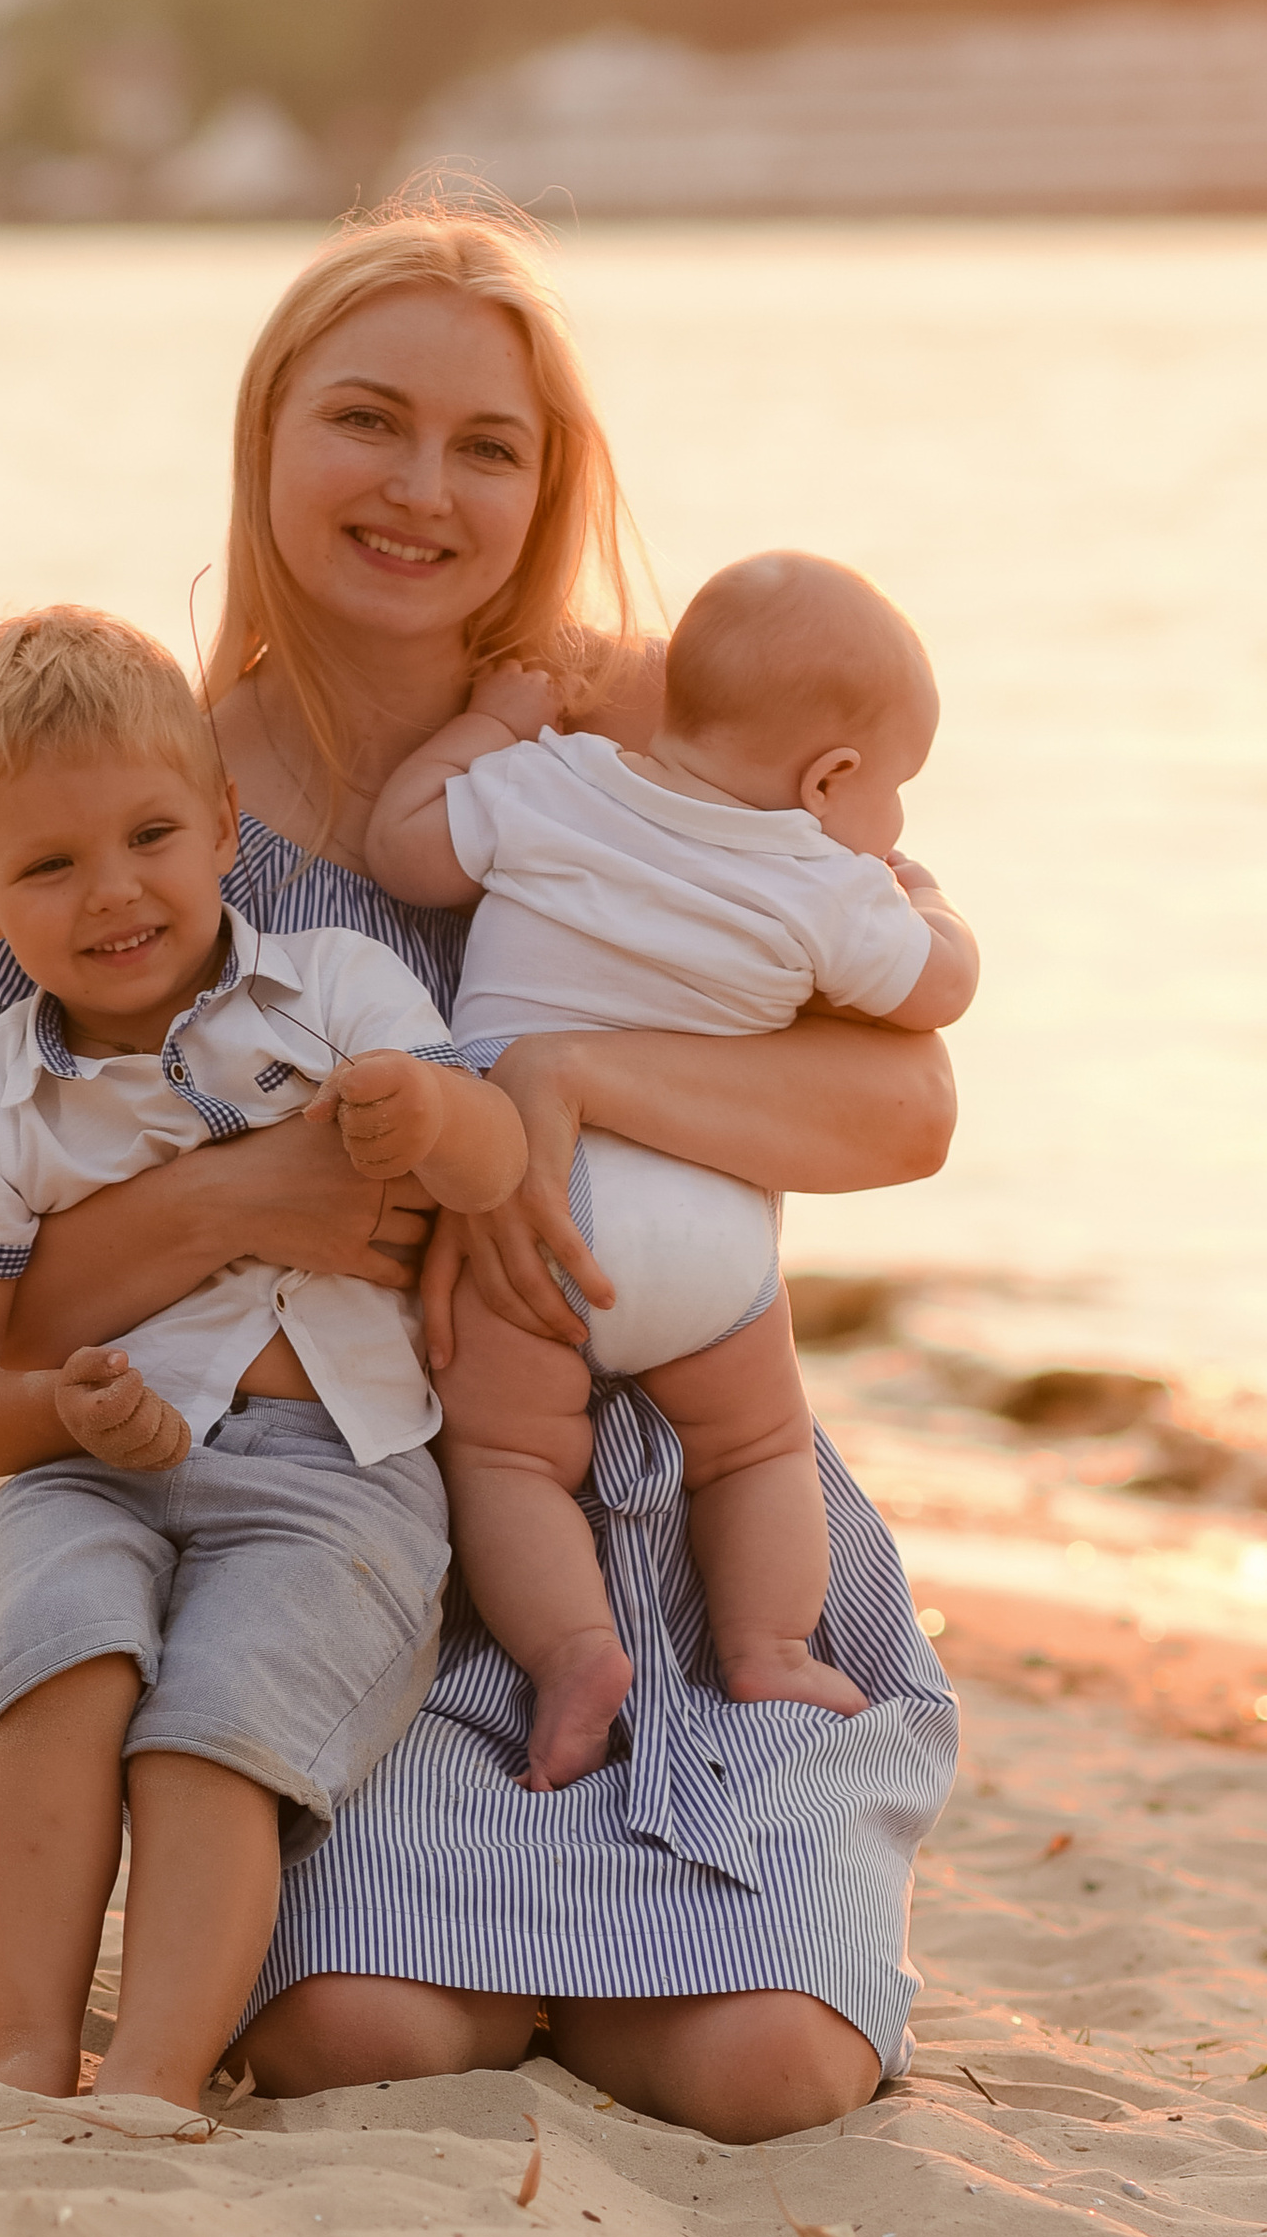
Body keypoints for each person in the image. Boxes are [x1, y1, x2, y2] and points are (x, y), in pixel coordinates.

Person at [0, 196, 963, 2145]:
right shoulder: (142, 807)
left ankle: (682, 1902)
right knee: (351, 2035)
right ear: (266, 435)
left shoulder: (652, 732)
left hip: (683, 1487)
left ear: (548, 488)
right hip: (359, 1518)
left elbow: (908, 1108)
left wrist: (568, 1075)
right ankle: (457, 1911)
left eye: (488, 446)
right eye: (365, 421)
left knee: (768, 2073)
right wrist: (242, 1203)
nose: (420, 489)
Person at [0, 605, 526, 2118]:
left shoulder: (338, 990)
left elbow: (494, 1162)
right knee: (55, 1670)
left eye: (152, 835)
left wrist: (432, 1114)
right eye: (48, 866)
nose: (115, 890)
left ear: (227, 825)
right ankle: (24, 2053)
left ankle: (153, 2080)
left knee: (207, 1736)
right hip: (84, 1469)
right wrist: (50, 1405)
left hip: (333, 1484)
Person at [361, 548, 978, 1794]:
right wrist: (922, 897)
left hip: (534, 1210)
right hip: (711, 1235)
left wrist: (490, 726)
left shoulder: (548, 782)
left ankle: (573, 1654)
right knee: (759, 1448)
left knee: (507, 1460)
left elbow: (404, 852)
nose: (894, 824)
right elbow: (941, 990)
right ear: (830, 778)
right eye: (895, 793)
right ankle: (767, 1646)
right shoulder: (827, 882)